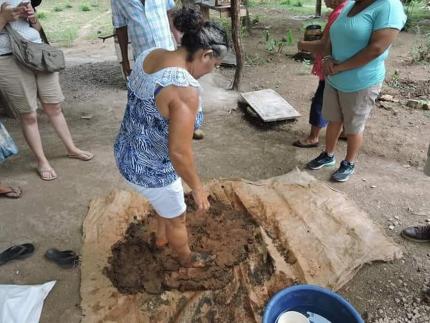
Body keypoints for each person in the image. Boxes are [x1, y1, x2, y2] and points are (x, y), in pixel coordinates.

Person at [114, 8, 228, 268]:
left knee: (164, 205)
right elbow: (179, 152)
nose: (211, 71)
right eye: (214, 65)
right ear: (206, 55)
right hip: (151, 168)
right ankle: (187, 260)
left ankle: (161, 240)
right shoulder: (183, 90)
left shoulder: (150, 54)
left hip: (126, 150)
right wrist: (197, 187)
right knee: (178, 217)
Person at [306, 0, 406, 182]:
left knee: (353, 126)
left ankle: (348, 163)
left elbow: (376, 48)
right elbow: (331, 37)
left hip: (361, 81)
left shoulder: (389, 6)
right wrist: (328, 58)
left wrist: (341, 67)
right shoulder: (351, 4)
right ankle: (328, 155)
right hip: (334, 76)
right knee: (333, 119)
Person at [0, 1, 93, 181]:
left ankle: (71, 148)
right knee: (29, 115)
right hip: (7, 58)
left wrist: (33, 19)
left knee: (54, 106)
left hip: (37, 51)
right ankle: (42, 160)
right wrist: (3, 18)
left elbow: (35, 27)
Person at [293, 0, 347, 148]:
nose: (323, 0)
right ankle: (346, 131)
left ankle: (313, 137)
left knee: (320, 101)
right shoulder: (351, 8)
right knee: (345, 101)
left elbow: (324, 46)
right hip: (345, 67)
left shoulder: (339, 13)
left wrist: (302, 44)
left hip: (332, 67)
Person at [111, 0, 179, 78]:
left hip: (168, 54)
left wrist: (179, 42)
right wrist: (125, 61)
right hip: (143, 61)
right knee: (149, 89)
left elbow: (170, 12)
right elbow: (120, 27)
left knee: (173, 87)